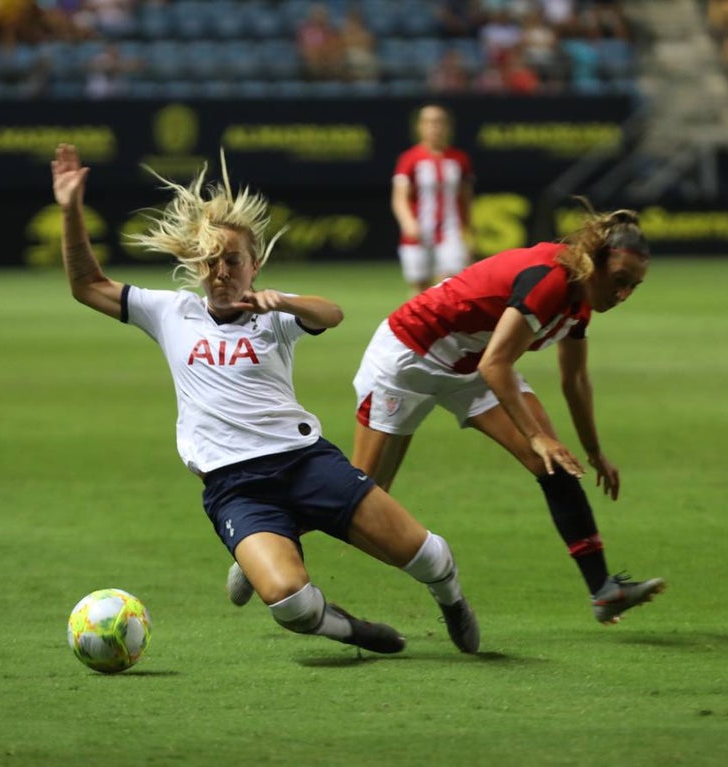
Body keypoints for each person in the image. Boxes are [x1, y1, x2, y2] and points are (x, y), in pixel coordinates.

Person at [51, 143, 479, 656]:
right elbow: (85, 284)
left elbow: (332, 314)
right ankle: (351, 630)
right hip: (235, 486)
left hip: (305, 462)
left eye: (233, 260)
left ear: (255, 265)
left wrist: (287, 301)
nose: (222, 271)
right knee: (290, 605)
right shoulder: (170, 312)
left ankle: (452, 602)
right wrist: (71, 209)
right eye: (211, 261)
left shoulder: (273, 313)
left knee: (428, 556)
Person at [230, 199, 665, 626]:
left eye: (635, 287)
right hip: (407, 357)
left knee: (553, 466)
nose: (624, 294)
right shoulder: (549, 280)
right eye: (621, 280)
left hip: (469, 364)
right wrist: (537, 433)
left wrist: (593, 451)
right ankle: (269, 538)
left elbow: (575, 381)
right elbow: (498, 365)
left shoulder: (581, 301)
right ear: (596, 262)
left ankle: (603, 591)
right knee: (363, 493)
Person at [392, 104, 474, 295]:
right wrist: (408, 223)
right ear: (419, 126)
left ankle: (445, 324)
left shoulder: (459, 159)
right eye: (429, 122)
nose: (434, 127)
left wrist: (469, 232)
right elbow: (399, 197)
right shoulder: (409, 159)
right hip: (418, 231)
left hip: (450, 230)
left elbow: (466, 198)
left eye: (439, 122)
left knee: (451, 283)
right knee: (420, 287)